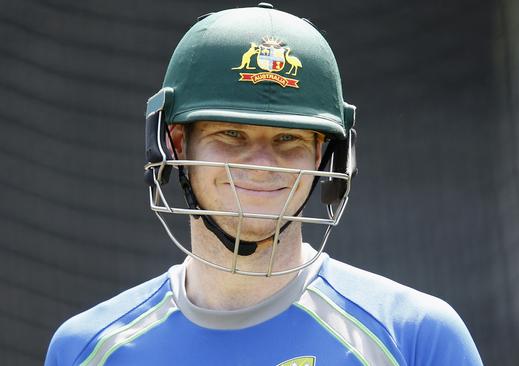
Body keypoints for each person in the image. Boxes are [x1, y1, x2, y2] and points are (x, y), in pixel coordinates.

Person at [45, 3, 483, 365]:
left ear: (325, 156)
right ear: (176, 144)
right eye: (231, 136)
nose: (260, 165)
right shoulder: (87, 350)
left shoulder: (414, 338)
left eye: (288, 139)